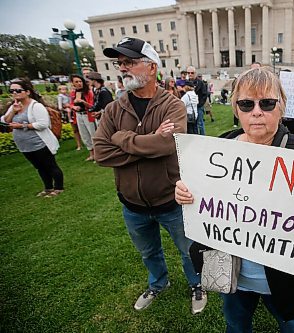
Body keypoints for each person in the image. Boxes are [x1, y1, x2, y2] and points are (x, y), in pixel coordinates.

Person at [175, 67, 294, 332]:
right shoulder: (222, 146)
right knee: (236, 324)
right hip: (231, 273)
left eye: (267, 103)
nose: (257, 112)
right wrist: (186, 193)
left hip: (285, 278)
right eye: (246, 104)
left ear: (281, 108)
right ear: (236, 109)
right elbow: (206, 196)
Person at [93, 37, 207, 314]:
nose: (122, 68)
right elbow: (100, 153)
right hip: (132, 204)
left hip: (171, 200)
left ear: (152, 67)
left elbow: (168, 144)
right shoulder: (113, 109)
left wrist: (121, 138)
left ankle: (197, 284)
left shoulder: (173, 105)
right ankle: (158, 283)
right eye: (120, 63)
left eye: (130, 62)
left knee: (188, 250)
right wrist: (147, 143)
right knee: (148, 252)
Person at [1, 78, 63, 197]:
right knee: (39, 167)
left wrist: (22, 125)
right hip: (25, 145)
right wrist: (13, 112)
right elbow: (5, 122)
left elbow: (43, 124)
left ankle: (59, 187)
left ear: (27, 92)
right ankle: (48, 187)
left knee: (50, 165)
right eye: (12, 91)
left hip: (40, 142)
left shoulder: (36, 106)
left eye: (18, 90)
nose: (14, 93)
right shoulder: (14, 106)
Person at [69, 74, 96, 161]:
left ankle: (97, 154)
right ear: (73, 83)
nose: (79, 83)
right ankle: (91, 154)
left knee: (92, 134)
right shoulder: (73, 93)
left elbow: (92, 106)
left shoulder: (88, 92)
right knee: (84, 135)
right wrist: (74, 107)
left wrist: (83, 102)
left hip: (87, 114)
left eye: (80, 81)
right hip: (79, 115)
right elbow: (71, 104)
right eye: (76, 82)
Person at [186, 66, 208, 135]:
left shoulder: (200, 82)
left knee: (200, 123)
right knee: (192, 124)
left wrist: (200, 104)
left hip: (198, 106)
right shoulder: (187, 82)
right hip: (190, 107)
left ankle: (203, 137)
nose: (190, 74)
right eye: (188, 73)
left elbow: (205, 94)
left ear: (195, 73)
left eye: (192, 73)